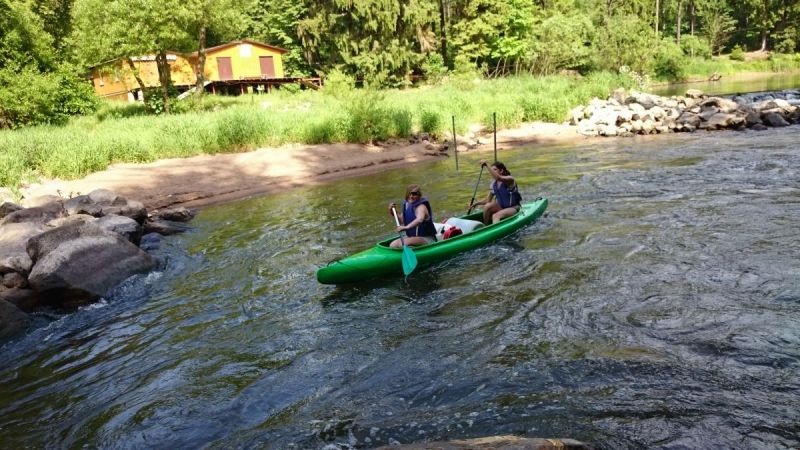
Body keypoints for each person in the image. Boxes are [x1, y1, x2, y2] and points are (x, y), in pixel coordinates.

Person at [470, 160, 522, 224]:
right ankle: (486, 226)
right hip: (501, 208)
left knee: (495, 216)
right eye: (492, 170)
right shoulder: (493, 184)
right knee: (488, 206)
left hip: (513, 208)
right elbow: (487, 200)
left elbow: (498, 178)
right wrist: (476, 203)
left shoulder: (510, 179)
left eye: (494, 169)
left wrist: (487, 164)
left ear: (501, 171)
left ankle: (495, 230)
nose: (492, 172)